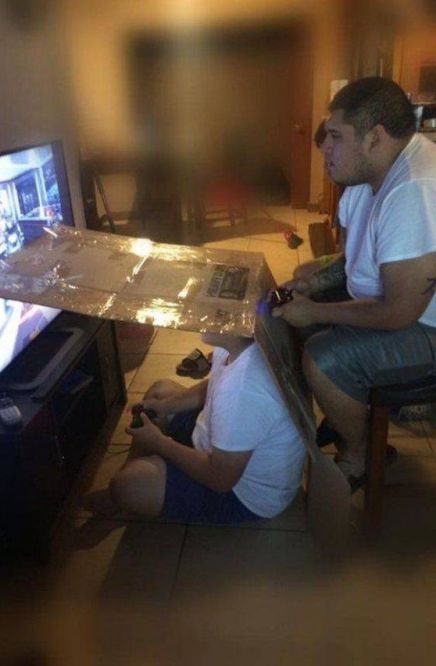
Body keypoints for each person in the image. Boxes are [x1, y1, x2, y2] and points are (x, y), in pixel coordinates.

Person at [272, 77, 436, 487]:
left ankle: (360, 455)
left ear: (374, 137)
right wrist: (315, 282)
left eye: (335, 137)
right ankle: (344, 413)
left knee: (323, 358)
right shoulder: (367, 176)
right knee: (287, 304)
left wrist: (316, 311)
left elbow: (400, 311)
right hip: (398, 305)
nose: (325, 148)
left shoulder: (413, 190)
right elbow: (355, 258)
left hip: (426, 326)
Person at [83, 333, 306, 523]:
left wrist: (159, 443)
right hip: (223, 448)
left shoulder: (243, 390)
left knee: (127, 485)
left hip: (245, 494)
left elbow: (221, 479)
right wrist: (166, 406)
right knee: (160, 392)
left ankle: (128, 487)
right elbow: (215, 383)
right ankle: (137, 474)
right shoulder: (241, 345)